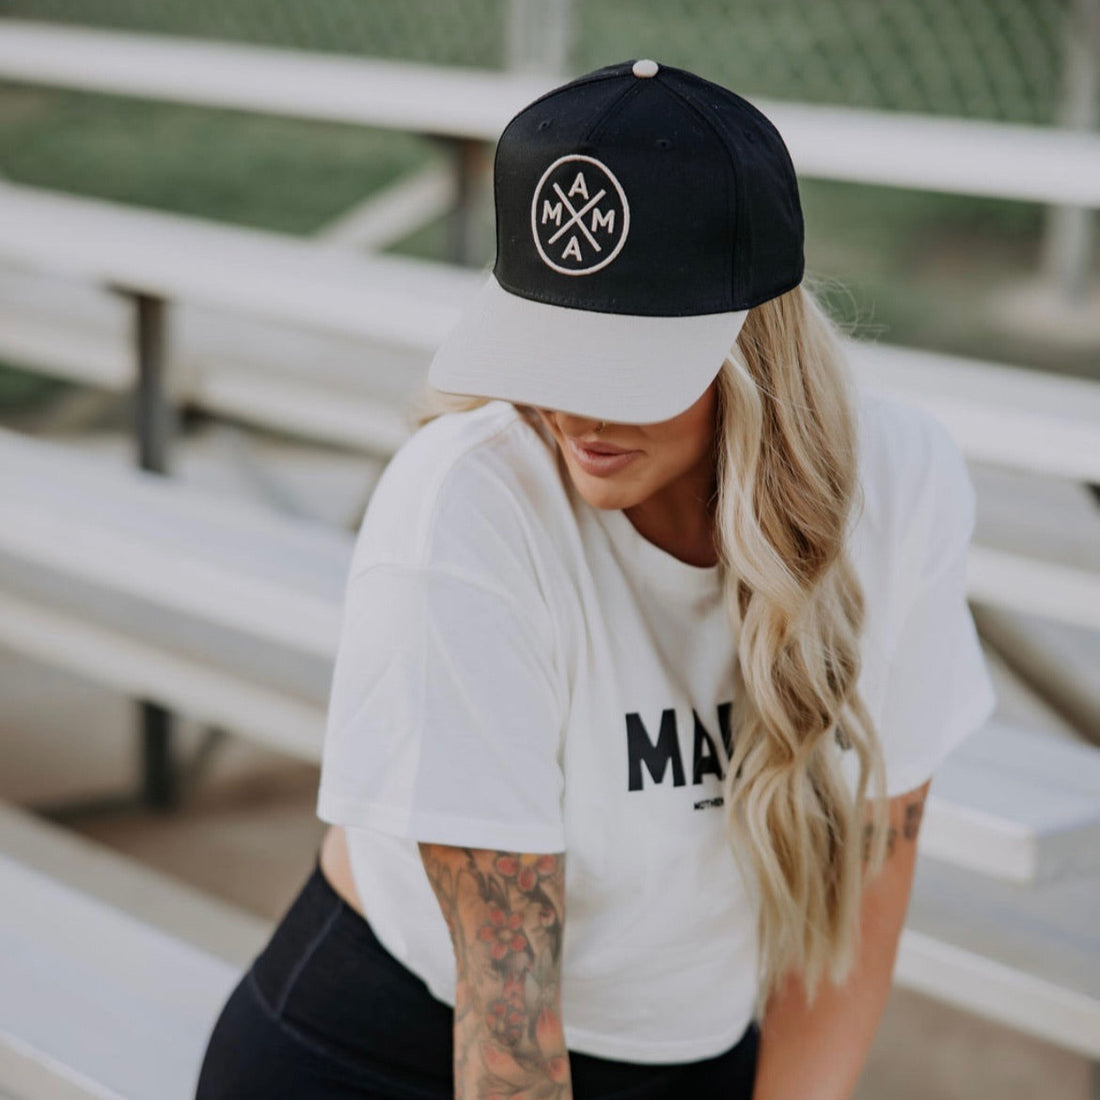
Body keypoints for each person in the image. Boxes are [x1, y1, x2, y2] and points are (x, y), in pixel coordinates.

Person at [195, 59, 996, 1100]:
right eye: (545, 342)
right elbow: (509, 1037)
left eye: (621, 362)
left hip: (688, 1054)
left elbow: (861, 900)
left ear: (753, 342)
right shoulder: (466, 509)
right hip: (388, 1055)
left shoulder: (900, 486)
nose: (572, 407)